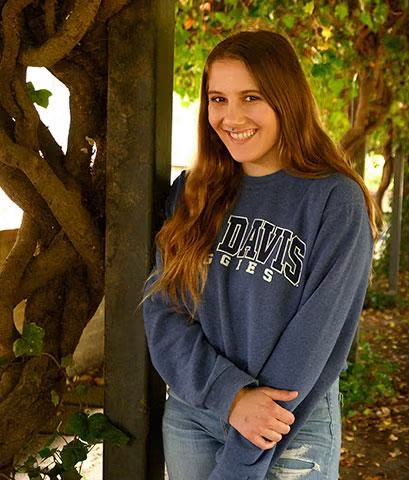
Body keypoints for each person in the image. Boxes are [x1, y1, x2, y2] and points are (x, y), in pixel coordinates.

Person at [143, 30, 377, 480]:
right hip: (195, 413)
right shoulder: (193, 193)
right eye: (218, 98)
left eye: (250, 97)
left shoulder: (334, 200)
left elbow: (315, 341)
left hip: (290, 421)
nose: (231, 116)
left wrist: (242, 458)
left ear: (286, 99)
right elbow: (163, 311)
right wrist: (229, 396)